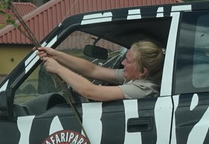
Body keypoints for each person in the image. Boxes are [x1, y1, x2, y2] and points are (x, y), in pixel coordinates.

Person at [35, 40, 165, 101]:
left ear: (143, 71)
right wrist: (56, 55)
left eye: (128, 61)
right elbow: (93, 70)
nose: (122, 63)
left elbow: (92, 92)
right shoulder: (137, 76)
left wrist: (58, 69)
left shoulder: (144, 88)